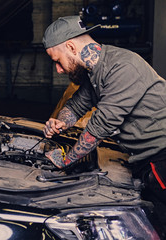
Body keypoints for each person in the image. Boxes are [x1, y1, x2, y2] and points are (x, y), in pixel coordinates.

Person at [42, 15, 166, 200]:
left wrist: (65, 162)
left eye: (58, 61)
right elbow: (76, 105)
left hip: (161, 156)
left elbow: (100, 127)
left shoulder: (122, 67)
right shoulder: (93, 73)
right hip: (143, 158)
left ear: (70, 47)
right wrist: (59, 122)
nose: (59, 70)